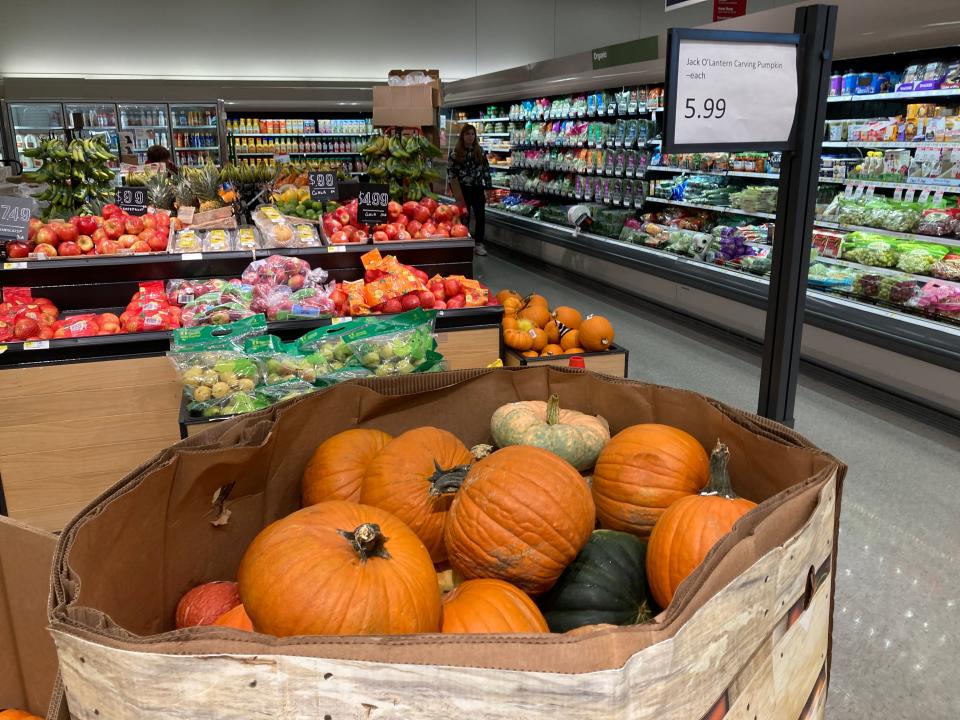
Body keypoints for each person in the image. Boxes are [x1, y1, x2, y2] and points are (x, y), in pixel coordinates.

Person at [448, 124, 492, 256]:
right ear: (462, 136)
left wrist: (488, 187)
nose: (470, 137)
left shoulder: (480, 152)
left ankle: (479, 244)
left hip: (478, 188)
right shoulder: (455, 154)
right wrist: (455, 192)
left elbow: (486, 170)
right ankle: (465, 243)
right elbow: (451, 173)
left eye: (473, 134)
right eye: (467, 134)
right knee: (464, 216)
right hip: (462, 190)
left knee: (480, 216)